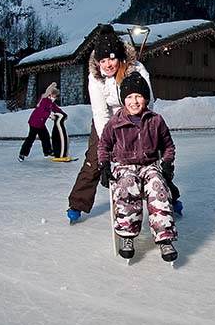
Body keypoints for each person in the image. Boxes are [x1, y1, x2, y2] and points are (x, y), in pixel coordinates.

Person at [67, 25, 182, 222]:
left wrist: (141, 128)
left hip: (136, 117)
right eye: (103, 60)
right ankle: (77, 204)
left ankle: (170, 197)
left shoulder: (136, 69)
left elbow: (148, 102)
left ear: (119, 57)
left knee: (148, 160)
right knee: (95, 159)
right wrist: (108, 140)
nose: (107, 65)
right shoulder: (95, 76)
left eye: (111, 59)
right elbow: (100, 112)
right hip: (106, 122)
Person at [98, 72, 178, 262]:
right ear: (123, 100)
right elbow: (103, 146)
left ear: (146, 99)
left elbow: (168, 145)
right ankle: (127, 235)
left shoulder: (156, 120)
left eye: (139, 96)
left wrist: (167, 163)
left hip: (149, 165)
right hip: (124, 165)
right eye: (129, 97)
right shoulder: (115, 123)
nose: (134, 102)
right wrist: (104, 166)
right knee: (127, 184)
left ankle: (164, 237)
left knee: (158, 186)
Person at [18, 82, 65, 162]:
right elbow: (41, 111)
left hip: (41, 124)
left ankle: (47, 151)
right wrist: (50, 115)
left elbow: (55, 108)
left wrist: (63, 113)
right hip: (34, 122)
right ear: (50, 94)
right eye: (55, 95)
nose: (55, 97)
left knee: (45, 137)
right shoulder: (43, 100)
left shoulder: (50, 102)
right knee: (31, 138)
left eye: (56, 96)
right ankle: (22, 154)